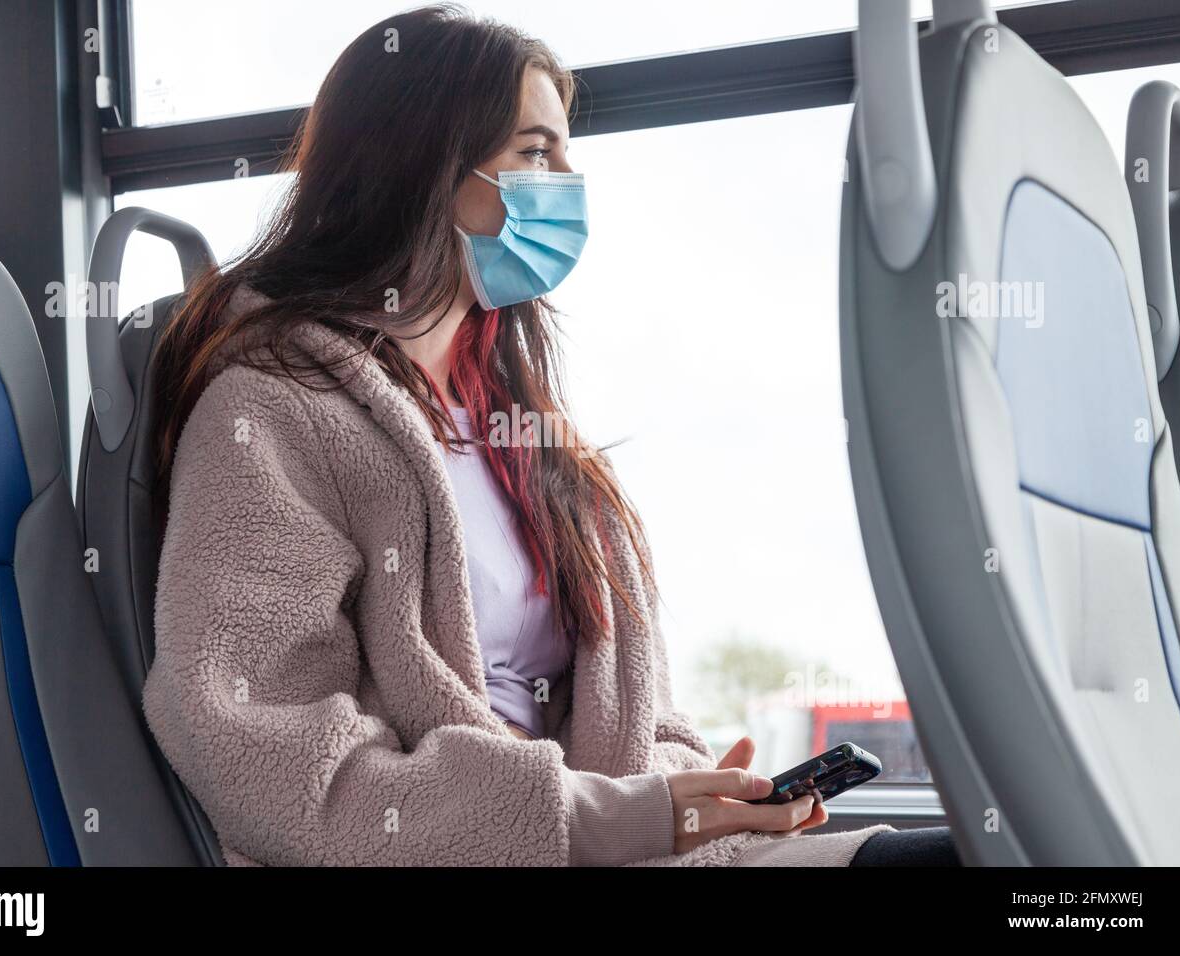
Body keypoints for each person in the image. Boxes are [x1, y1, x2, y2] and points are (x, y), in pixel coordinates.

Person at [143, 2, 956, 867]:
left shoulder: (519, 430)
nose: (568, 181)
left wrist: (710, 795)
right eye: (537, 153)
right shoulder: (269, 413)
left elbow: (627, 728)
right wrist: (617, 819)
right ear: (427, 166)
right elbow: (272, 762)